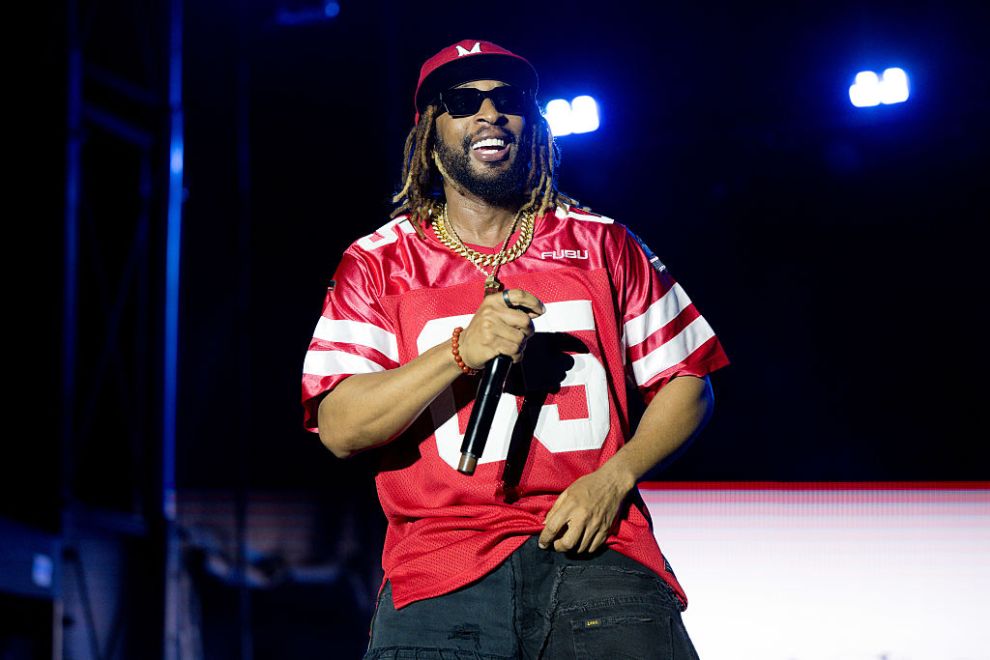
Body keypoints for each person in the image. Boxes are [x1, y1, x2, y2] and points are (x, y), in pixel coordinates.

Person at [301, 39, 729, 659]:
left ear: (533, 121)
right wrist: (458, 352)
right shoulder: (378, 264)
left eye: (509, 99)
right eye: (463, 100)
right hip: (440, 577)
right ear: (428, 129)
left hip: (599, 555)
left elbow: (690, 381)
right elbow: (340, 427)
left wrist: (614, 479)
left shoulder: (604, 244)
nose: (490, 113)